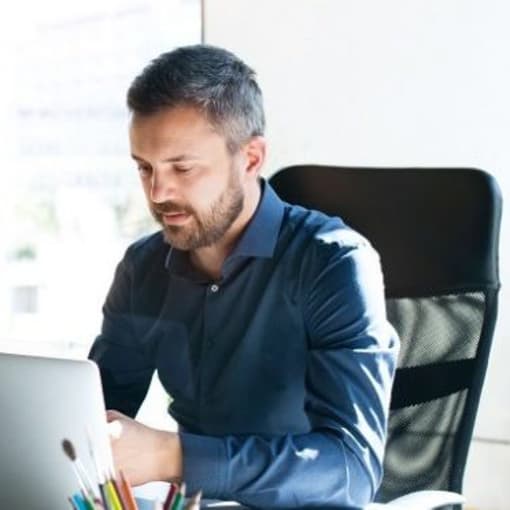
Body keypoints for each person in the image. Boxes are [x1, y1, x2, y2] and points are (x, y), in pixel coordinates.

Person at [89, 44, 399, 509]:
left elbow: (351, 471)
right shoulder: (142, 269)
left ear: (251, 158)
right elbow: (89, 420)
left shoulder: (334, 263)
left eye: (182, 167)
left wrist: (173, 455)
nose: (158, 191)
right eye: (145, 168)